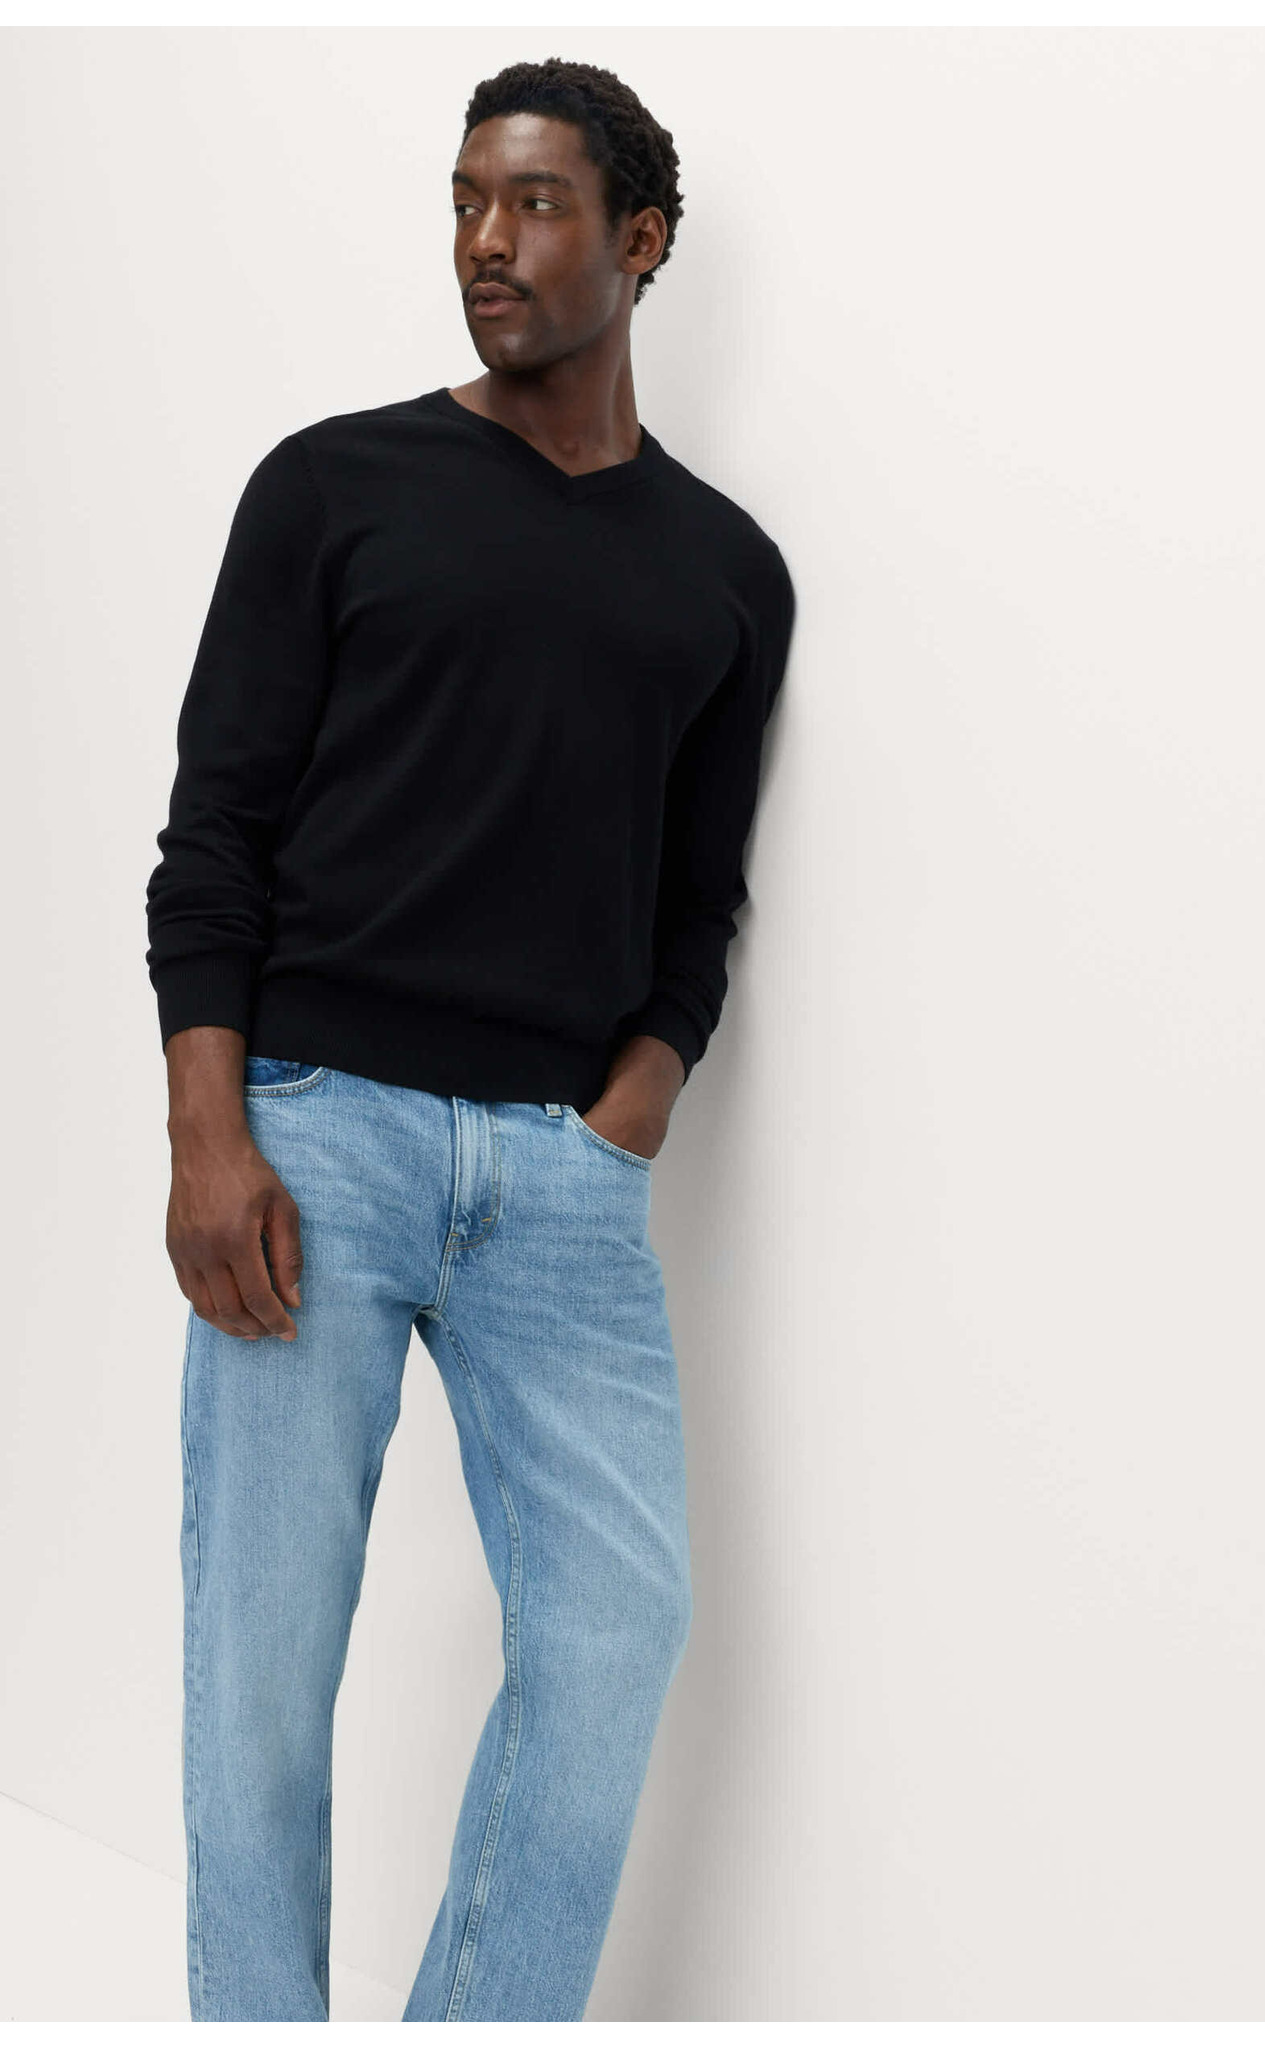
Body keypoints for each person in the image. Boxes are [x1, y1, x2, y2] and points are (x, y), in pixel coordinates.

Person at [144, 57, 795, 2023]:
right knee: (262, 1672)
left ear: (640, 239)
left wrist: (631, 1110)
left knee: (616, 1632)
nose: (486, 244)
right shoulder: (333, 487)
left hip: (561, 1190)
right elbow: (215, 834)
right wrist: (208, 1134)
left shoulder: (729, 572)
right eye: (464, 203)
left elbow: (700, 902)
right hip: (313, 1145)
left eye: (534, 205)